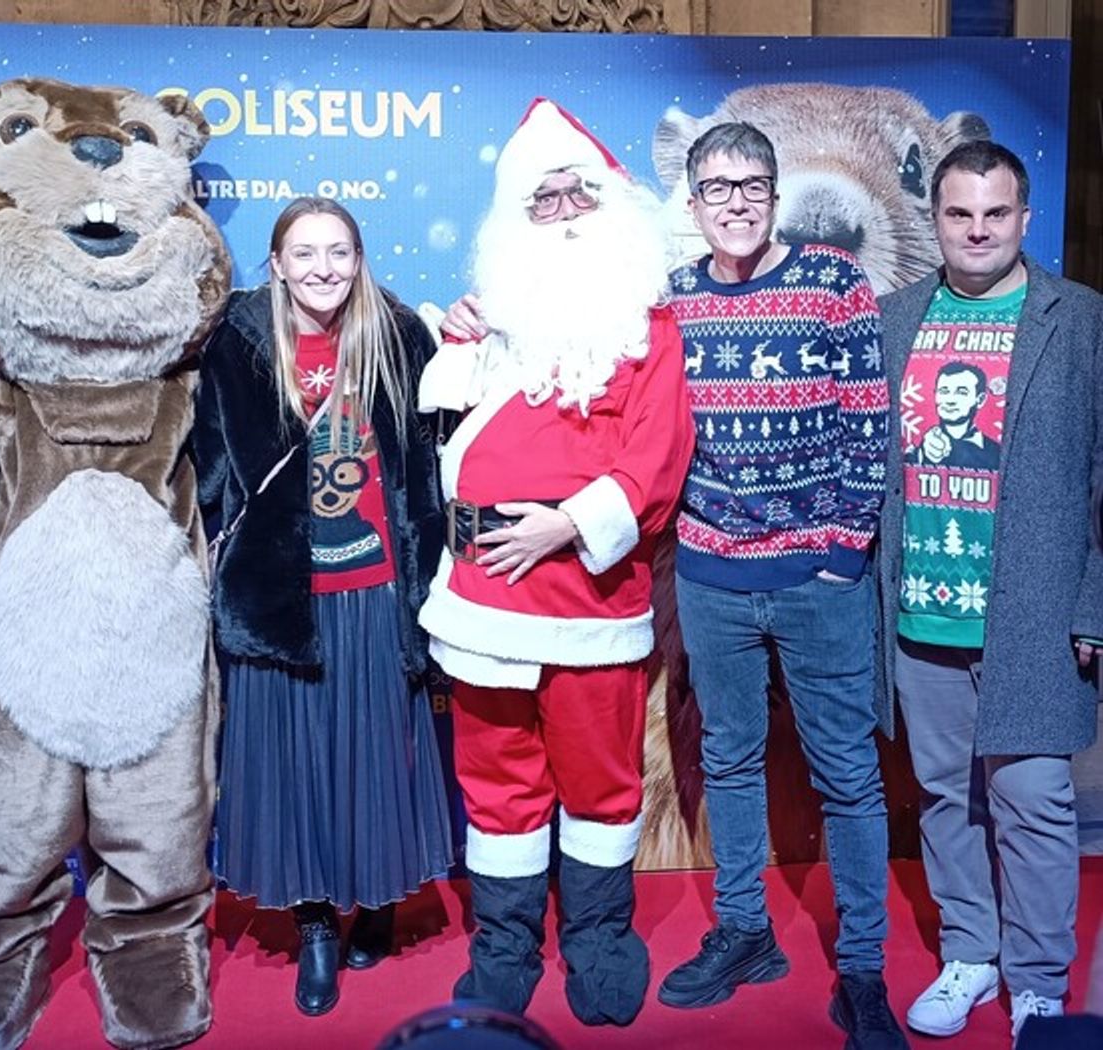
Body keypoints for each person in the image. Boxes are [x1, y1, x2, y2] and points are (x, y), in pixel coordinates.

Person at [427, 98, 695, 1026]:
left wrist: (566, 525)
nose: (566, 209)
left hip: (588, 594)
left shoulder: (648, 325)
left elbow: (656, 458)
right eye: (543, 199)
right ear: (514, 220)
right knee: (497, 778)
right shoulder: (489, 319)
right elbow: (444, 439)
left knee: (601, 780)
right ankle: (503, 945)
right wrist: (461, 341)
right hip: (482, 597)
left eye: (580, 190)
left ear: (613, 203)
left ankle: (597, 936)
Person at [656, 121, 906, 1049]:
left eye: (753, 182)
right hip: (713, 577)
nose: (737, 200)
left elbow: (866, 423)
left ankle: (865, 971)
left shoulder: (834, 284)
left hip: (817, 578)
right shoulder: (674, 298)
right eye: (717, 187)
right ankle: (746, 932)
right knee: (727, 758)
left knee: (847, 776)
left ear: (773, 191)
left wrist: (841, 553)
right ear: (693, 204)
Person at [194, 197, 454, 1018]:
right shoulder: (237, 345)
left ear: (359, 257)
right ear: (275, 263)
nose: (322, 268)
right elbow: (209, 463)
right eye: (303, 253)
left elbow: (432, 458)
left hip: (377, 589)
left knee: (379, 755)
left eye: (338, 251)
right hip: (283, 594)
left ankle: (377, 902)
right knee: (295, 761)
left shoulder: (402, 336)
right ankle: (314, 926)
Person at [876, 140, 1103, 1042]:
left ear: (1024, 216)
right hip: (922, 607)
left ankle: (1039, 982)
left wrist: (1095, 605)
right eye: (959, 213)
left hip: (1035, 615)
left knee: (1036, 800)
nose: (977, 230)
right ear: (934, 219)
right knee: (945, 794)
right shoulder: (895, 318)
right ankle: (971, 950)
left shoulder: (1080, 320)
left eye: (995, 213)